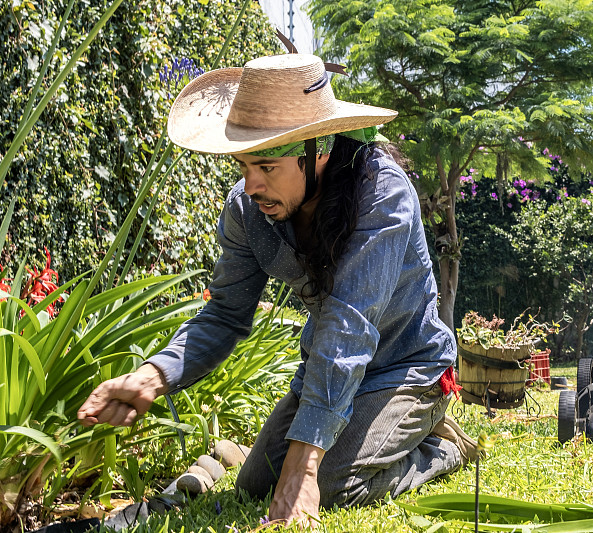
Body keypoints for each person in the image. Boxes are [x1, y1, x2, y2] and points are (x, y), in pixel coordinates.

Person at [77, 53, 478, 528]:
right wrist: (152, 376)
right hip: (327, 371)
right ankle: (375, 438)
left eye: (266, 166)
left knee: (331, 484)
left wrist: (304, 467)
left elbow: (348, 326)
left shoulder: (382, 195)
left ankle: (439, 447)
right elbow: (225, 314)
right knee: (255, 484)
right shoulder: (247, 211)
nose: (251, 185)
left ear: (318, 149)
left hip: (405, 368)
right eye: (243, 165)